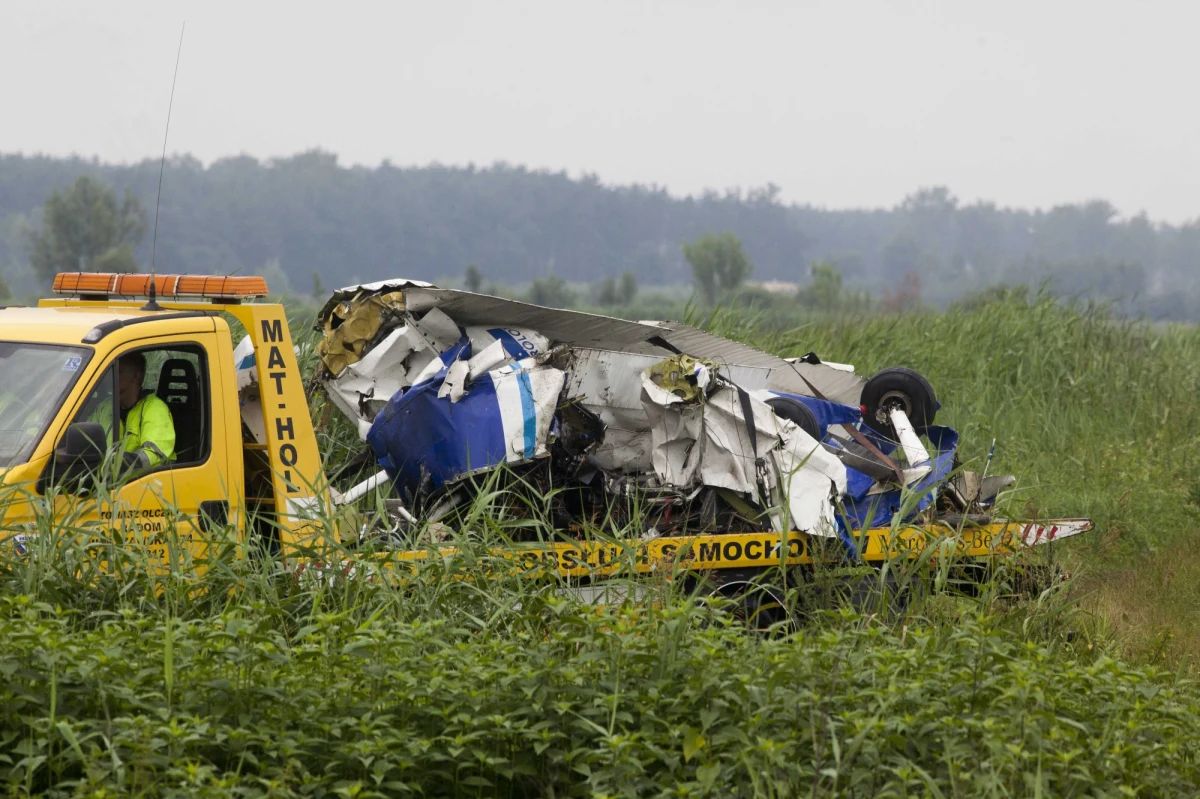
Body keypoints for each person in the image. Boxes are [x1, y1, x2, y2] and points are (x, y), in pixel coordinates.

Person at [89, 352, 175, 472]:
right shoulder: (105, 406)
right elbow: (84, 438)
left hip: (142, 483)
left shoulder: (155, 408)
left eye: (119, 372)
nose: (112, 378)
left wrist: (120, 462)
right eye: (111, 372)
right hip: (104, 482)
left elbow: (154, 455)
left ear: (136, 376)